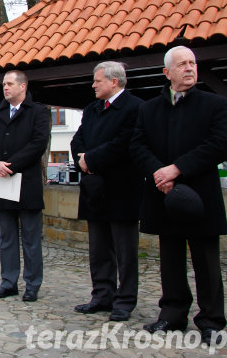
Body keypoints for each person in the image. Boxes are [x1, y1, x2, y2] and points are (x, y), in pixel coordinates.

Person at [130, 46, 227, 346]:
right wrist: (160, 174)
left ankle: (211, 321)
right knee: (170, 260)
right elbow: (137, 146)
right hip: (163, 194)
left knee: (207, 262)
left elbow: (218, 146)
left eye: (193, 63)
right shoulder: (148, 109)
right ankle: (172, 315)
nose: (189, 68)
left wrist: (176, 169)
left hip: (200, 195)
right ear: (167, 72)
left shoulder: (215, 104)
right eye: (182, 64)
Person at [70, 62, 143, 321]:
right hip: (94, 187)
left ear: (114, 81)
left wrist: (91, 159)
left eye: (97, 80)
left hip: (122, 188)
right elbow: (77, 139)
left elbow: (124, 143)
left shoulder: (135, 107)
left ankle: (125, 300)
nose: (93, 85)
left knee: (125, 250)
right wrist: (83, 159)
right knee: (98, 248)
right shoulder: (92, 109)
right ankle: (102, 295)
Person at [0, 70, 50, 302]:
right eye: (3, 84)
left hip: (26, 184)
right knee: (7, 237)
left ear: (23, 87)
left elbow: (38, 143)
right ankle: (8, 282)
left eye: (9, 84)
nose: (5, 88)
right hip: (2, 183)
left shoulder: (38, 112)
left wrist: (11, 164)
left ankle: (32, 284)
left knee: (30, 238)